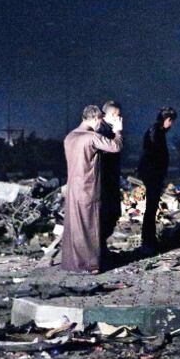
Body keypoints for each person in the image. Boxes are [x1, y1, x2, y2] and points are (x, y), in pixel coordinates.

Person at [61, 104, 123, 273]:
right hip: (88, 187)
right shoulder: (91, 137)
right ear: (95, 118)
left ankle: (72, 263)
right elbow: (116, 147)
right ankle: (90, 265)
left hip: (73, 188)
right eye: (100, 120)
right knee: (89, 228)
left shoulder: (70, 137)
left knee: (75, 227)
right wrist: (118, 131)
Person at [137, 106, 176, 253]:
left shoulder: (156, 131)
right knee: (151, 207)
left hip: (152, 173)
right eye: (171, 121)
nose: (171, 125)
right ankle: (148, 241)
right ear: (167, 119)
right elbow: (154, 154)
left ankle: (149, 240)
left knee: (151, 207)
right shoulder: (157, 132)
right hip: (153, 174)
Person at [97, 100, 123, 254]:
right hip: (104, 180)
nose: (120, 119)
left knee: (112, 213)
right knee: (107, 214)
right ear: (112, 115)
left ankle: (102, 247)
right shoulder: (102, 130)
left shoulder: (109, 129)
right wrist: (118, 132)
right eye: (118, 116)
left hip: (110, 178)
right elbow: (113, 149)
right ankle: (100, 249)